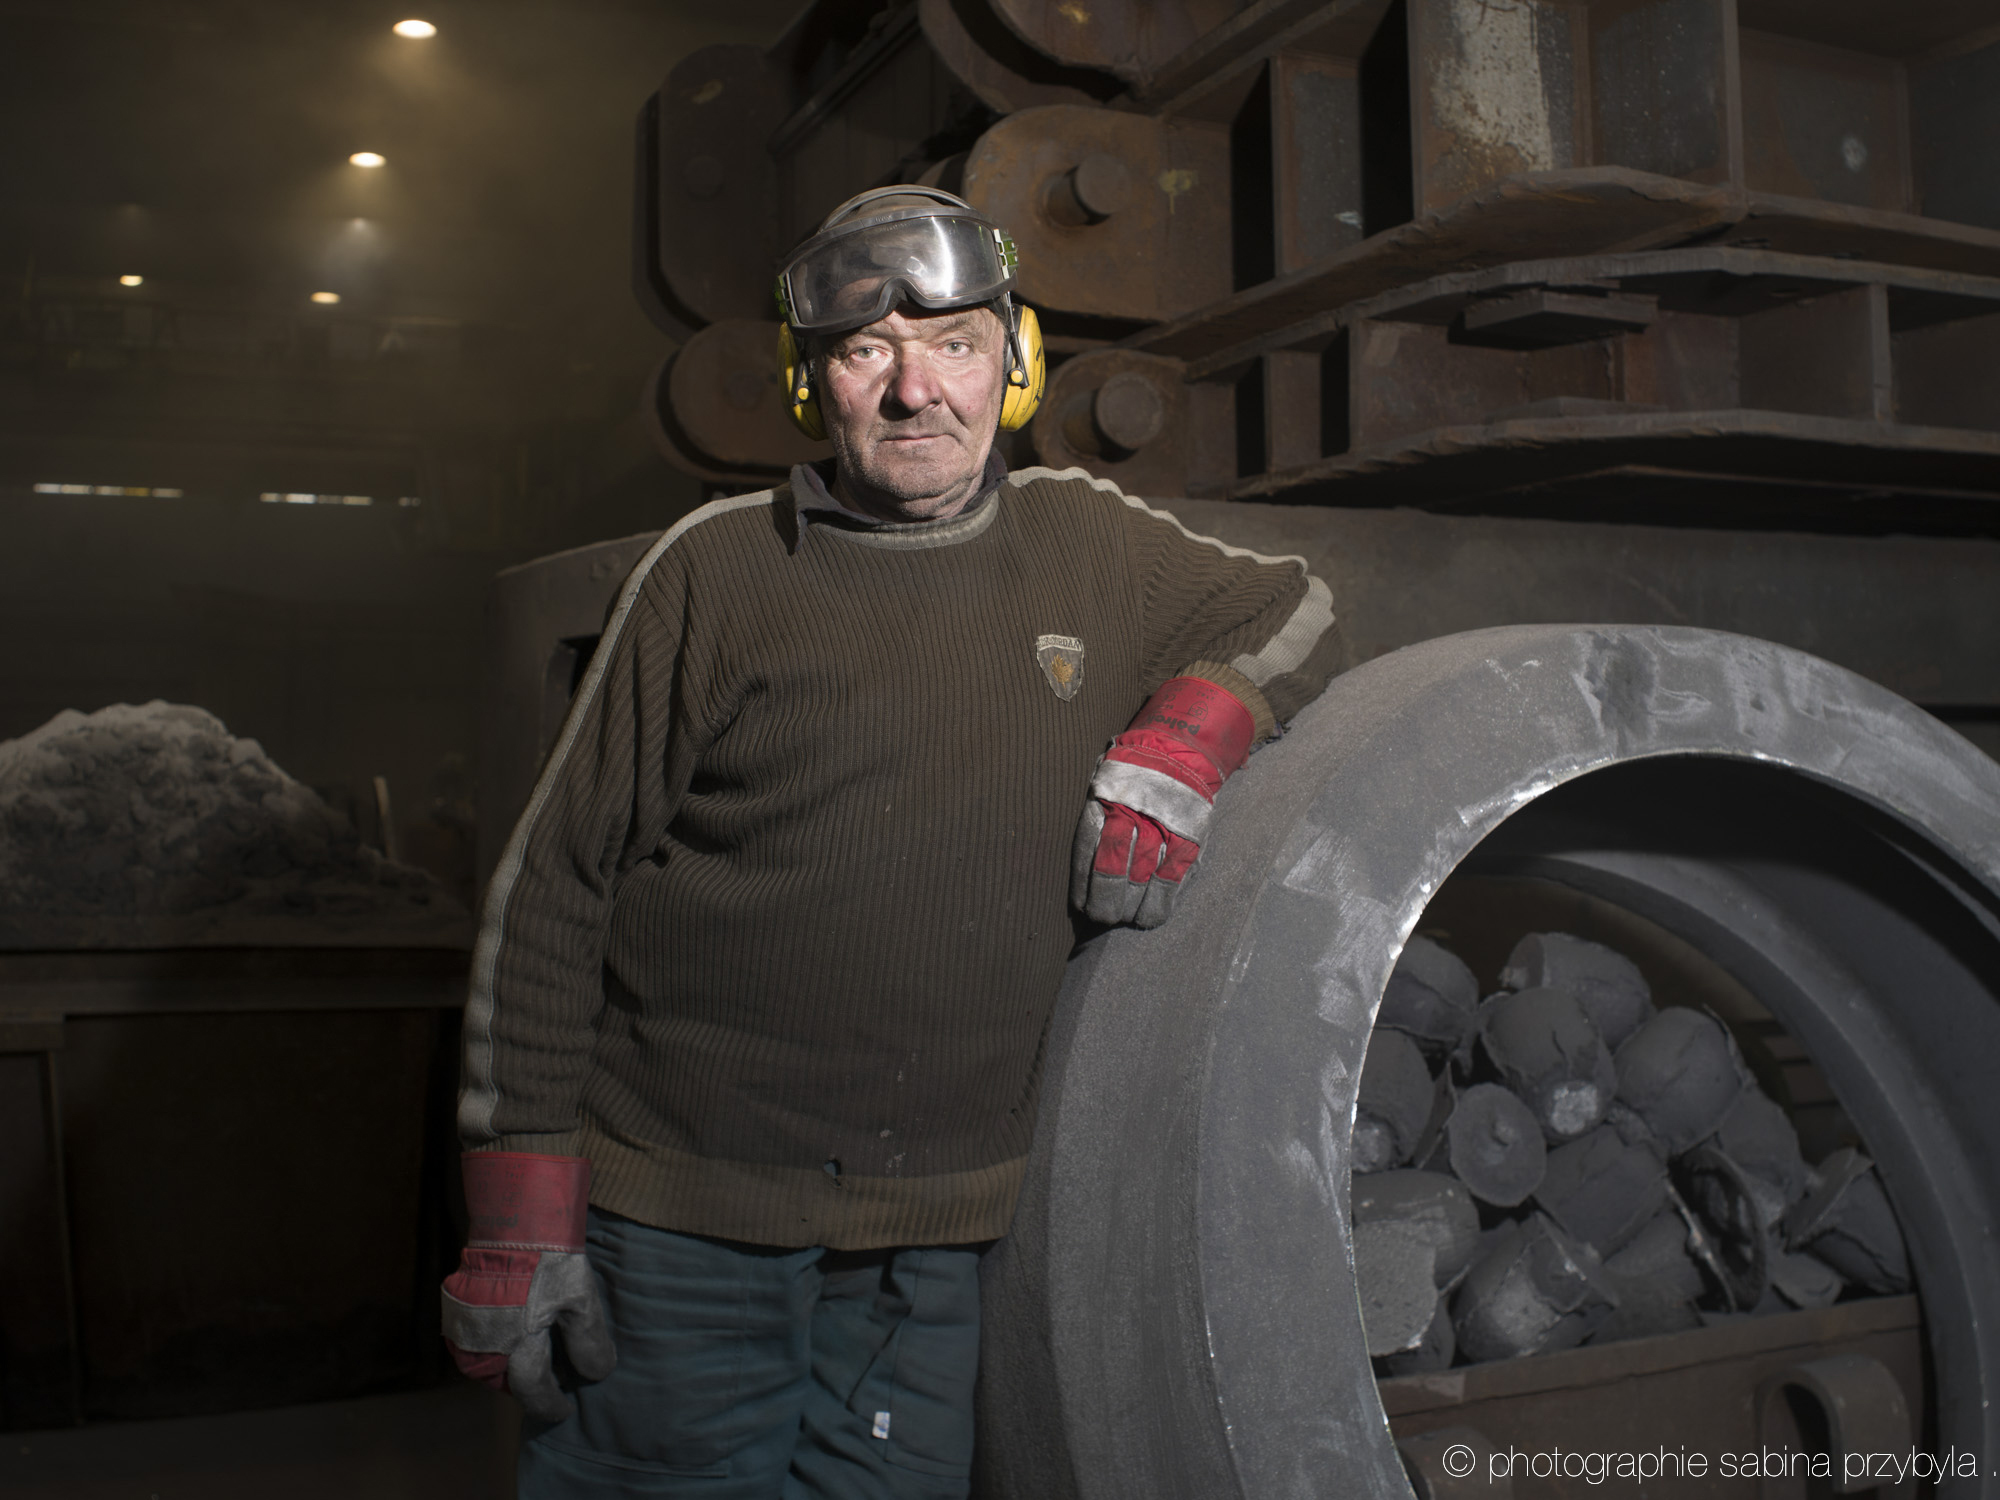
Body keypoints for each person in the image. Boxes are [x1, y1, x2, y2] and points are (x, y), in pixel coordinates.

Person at [439, 186, 1341, 1497]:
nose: (918, 392)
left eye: (957, 344)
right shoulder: (716, 572)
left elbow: (1298, 609)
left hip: (934, 1247)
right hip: (686, 1223)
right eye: (869, 351)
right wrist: (519, 1218)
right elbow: (555, 889)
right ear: (812, 384)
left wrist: (1189, 736)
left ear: (1015, 363)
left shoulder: (1088, 544)